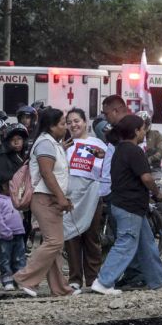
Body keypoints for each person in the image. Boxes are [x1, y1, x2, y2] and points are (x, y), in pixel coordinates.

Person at [92, 114, 162, 294]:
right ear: (136, 131)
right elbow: (146, 178)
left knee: (147, 244)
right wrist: (158, 193)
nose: (144, 133)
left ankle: (158, 280)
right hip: (129, 206)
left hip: (127, 205)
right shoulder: (134, 151)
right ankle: (103, 282)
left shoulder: (118, 149)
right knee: (126, 242)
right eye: (143, 129)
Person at [12, 108, 74, 297]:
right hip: (45, 198)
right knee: (54, 242)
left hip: (50, 198)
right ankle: (25, 278)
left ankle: (60, 289)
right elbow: (47, 174)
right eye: (62, 124)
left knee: (54, 245)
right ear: (51, 126)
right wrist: (61, 198)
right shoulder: (45, 144)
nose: (66, 127)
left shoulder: (52, 143)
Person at [62, 108, 108, 292]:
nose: (73, 125)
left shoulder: (98, 144)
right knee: (71, 237)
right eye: (69, 122)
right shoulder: (64, 144)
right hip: (70, 197)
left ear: (85, 122)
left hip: (92, 196)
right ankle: (75, 278)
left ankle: (93, 278)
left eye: (77, 121)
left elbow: (106, 168)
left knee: (91, 236)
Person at [0, 177, 27, 290]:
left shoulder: (14, 199)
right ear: (4, 186)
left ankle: (20, 280)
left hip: (18, 233)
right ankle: (7, 281)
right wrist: (5, 231)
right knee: (5, 259)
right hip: (5, 236)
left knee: (20, 258)